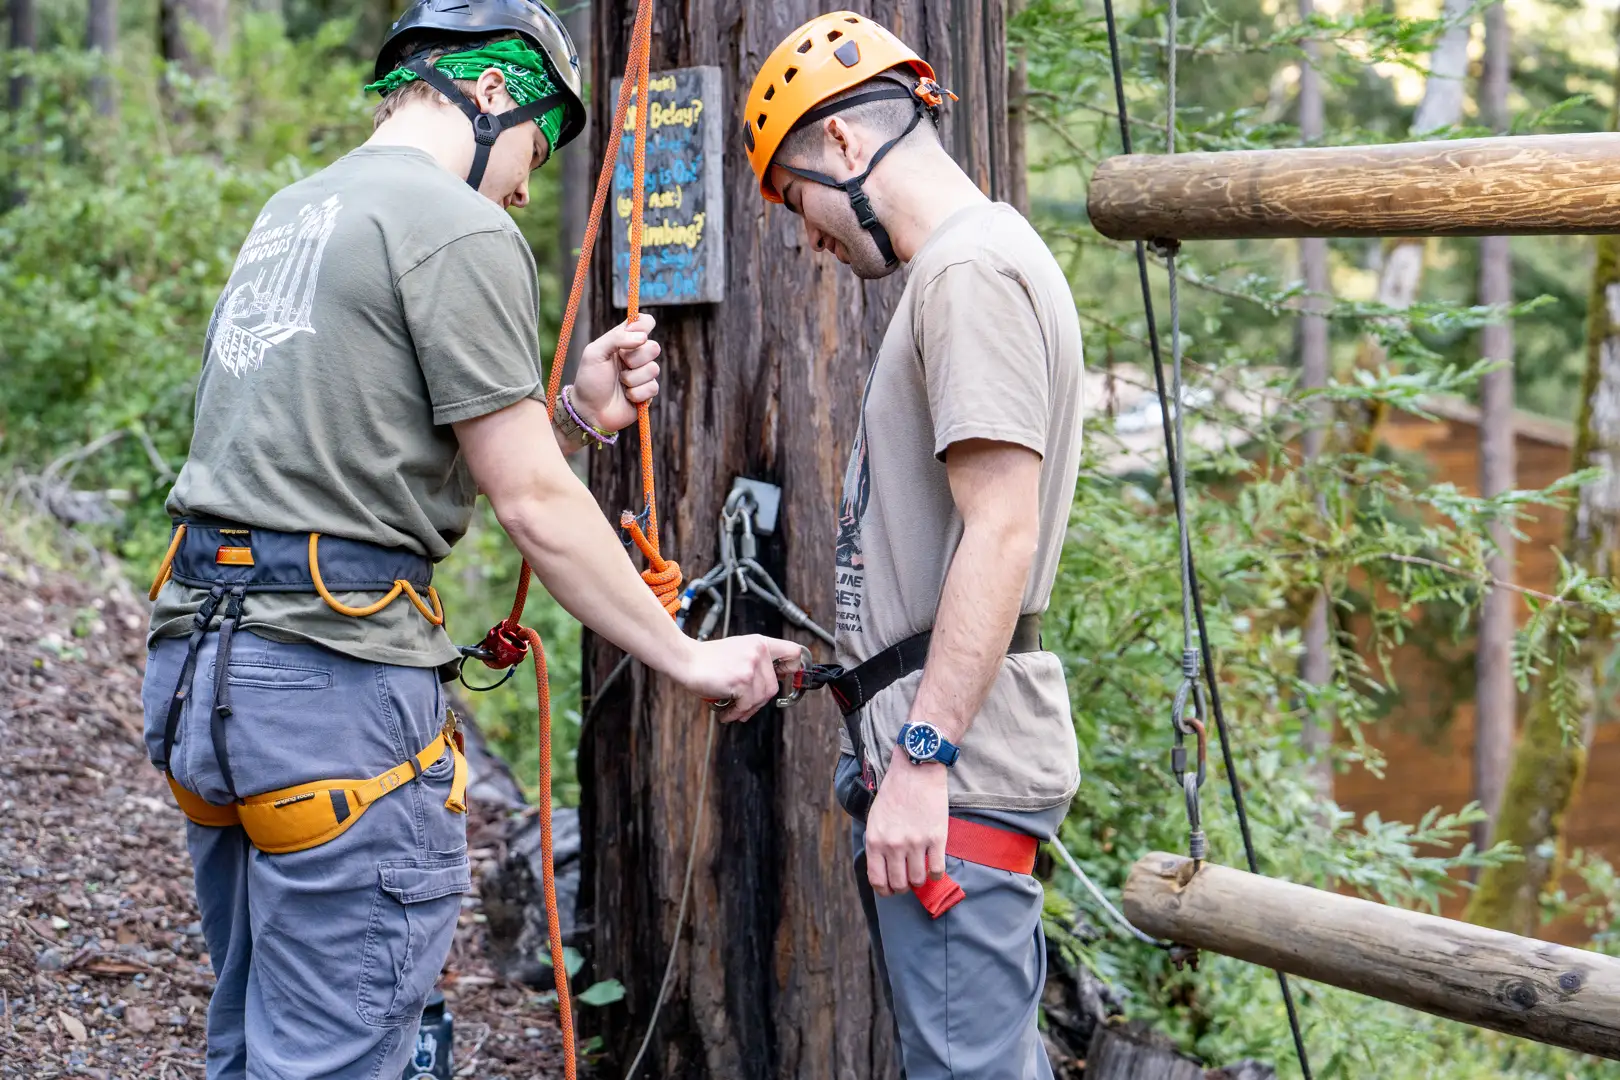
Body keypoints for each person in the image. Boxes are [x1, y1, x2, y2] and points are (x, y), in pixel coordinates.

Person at [142, 2, 799, 1076]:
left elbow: (353, 451)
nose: (529, 187)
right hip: (329, 691)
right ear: (491, 90)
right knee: (336, 1054)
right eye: (537, 148)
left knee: (254, 1033)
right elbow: (531, 502)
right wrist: (685, 653)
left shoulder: (295, 211)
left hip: (205, 686)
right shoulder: (455, 225)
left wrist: (575, 415)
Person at [742, 12, 1084, 1079]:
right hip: (950, 755)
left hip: (959, 770)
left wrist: (924, 758)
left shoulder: (967, 273)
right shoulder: (974, 261)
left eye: (795, 199)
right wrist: (825, 668)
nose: (807, 237)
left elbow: (1003, 528)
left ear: (845, 144)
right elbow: (942, 550)